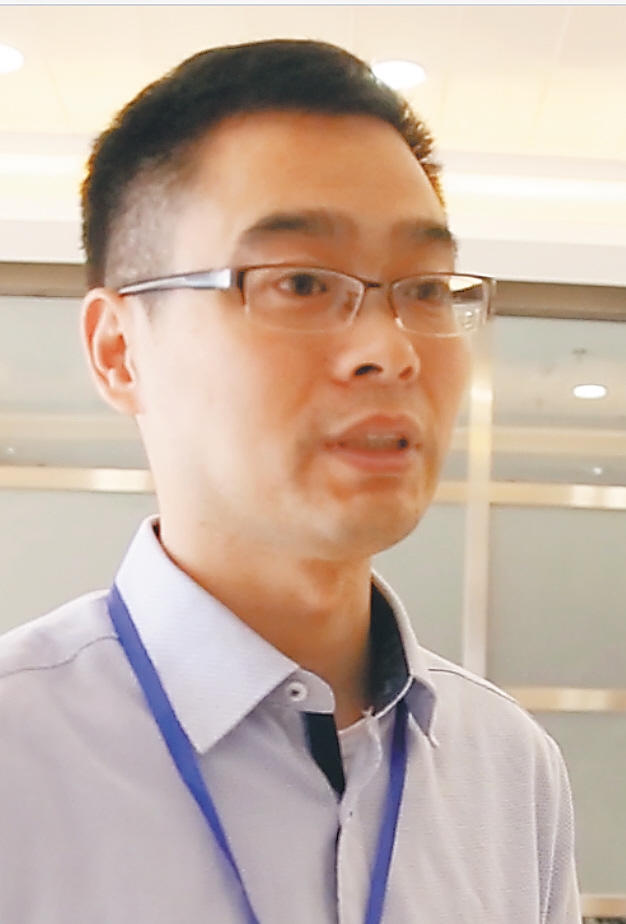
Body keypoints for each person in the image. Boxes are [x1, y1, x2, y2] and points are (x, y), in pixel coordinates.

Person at [0, 39, 580, 923]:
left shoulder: (508, 768)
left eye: (426, 288)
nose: (391, 350)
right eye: (302, 281)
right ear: (119, 350)